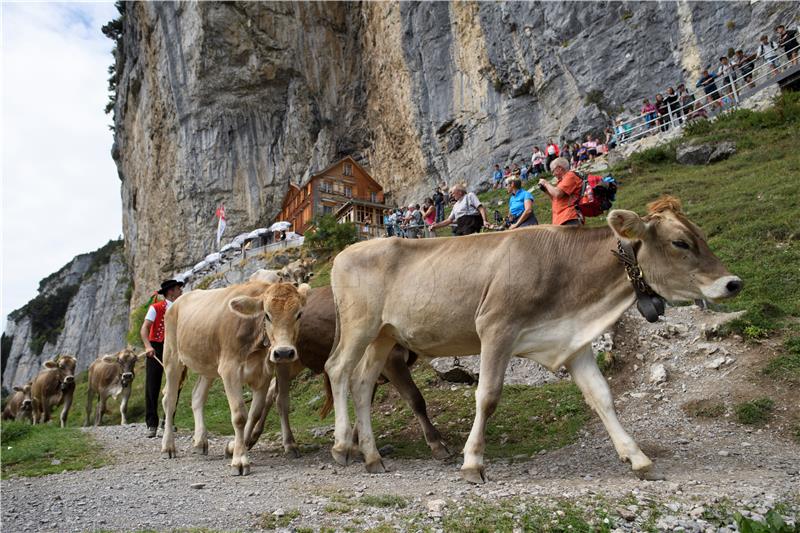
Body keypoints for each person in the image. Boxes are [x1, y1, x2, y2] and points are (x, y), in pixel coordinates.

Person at [140, 279, 184, 438]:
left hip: (176, 348)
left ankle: (168, 420)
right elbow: (144, 328)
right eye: (179, 289)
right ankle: (151, 423)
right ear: (171, 291)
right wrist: (148, 346)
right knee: (152, 385)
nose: (181, 291)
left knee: (176, 384)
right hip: (157, 347)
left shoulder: (183, 308)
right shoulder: (155, 308)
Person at [538, 157, 582, 226]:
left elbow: (557, 194)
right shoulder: (562, 180)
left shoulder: (570, 176)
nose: (553, 174)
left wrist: (546, 183)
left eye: (553, 171)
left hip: (569, 218)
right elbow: (555, 199)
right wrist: (546, 190)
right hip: (560, 219)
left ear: (559, 168)